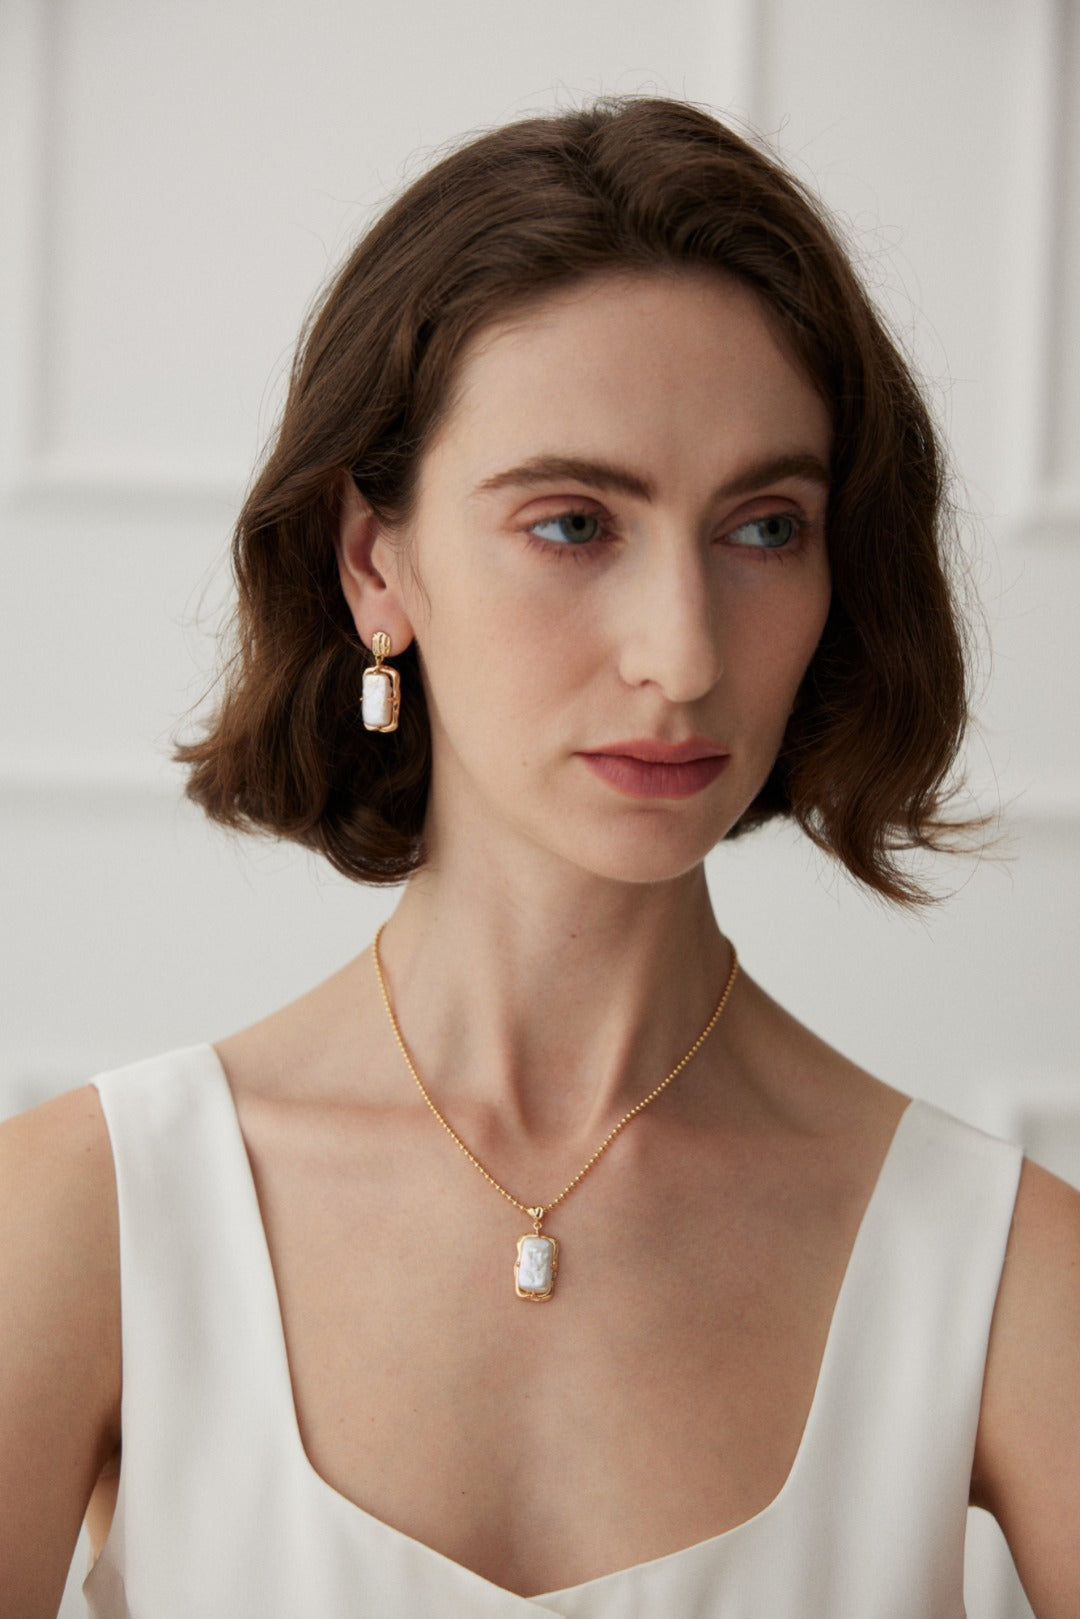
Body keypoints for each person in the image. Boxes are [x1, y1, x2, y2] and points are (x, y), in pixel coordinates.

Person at [1, 94, 1077, 1619]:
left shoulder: (1009, 1274)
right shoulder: (77, 1220)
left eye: (765, 528)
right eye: (574, 523)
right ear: (376, 562)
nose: (684, 653)